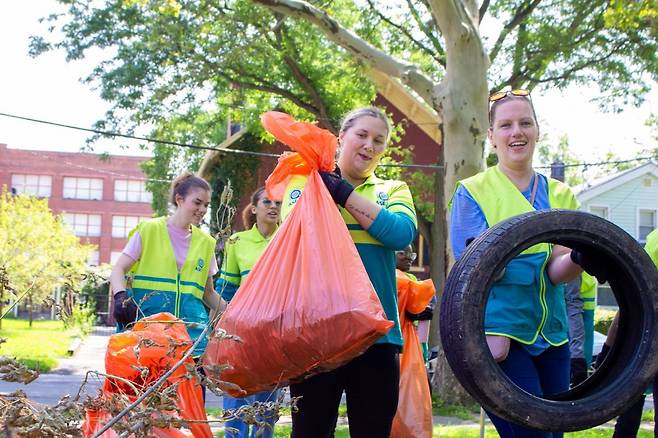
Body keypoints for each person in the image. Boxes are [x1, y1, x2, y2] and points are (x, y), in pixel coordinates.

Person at [449, 89, 602, 438]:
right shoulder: (472, 191)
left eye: (524, 123)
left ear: (537, 131)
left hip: (553, 337)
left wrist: (580, 256)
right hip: (499, 338)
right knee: (534, 436)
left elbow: (555, 272)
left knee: (555, 434)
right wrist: (492, 258)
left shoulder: (561, 194)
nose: (516, 132)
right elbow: (474, 272)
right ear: (491, 136)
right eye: (505, 125)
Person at [280, 106, 417, 438]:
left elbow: (399, 234)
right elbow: (298, 236)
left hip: (378, 337)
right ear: (341, 137)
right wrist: (364, 214)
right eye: (362, 135)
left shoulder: (393, 190)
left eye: (379, 140)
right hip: (316, 335)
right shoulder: (304, 183)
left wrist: (343, 193)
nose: (369, 145)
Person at [109, 171, 222, 358]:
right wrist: (120, 297)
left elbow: (208, 293)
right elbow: (118, 269)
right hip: (149, 336)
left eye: (206, 205)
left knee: (193, 388)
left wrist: (237, 314)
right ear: (179, 199)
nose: (202, 209)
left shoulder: (206, 242)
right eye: (197, 202)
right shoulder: (149, 230)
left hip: (191, 342)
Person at [214, 187, 282, 438]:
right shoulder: (236, 242)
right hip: (241, 332)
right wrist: (220, 329)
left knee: (267, 404)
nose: (273, 206)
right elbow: (227, 288)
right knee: (237, 394)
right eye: (267, 201)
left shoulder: (288, 239)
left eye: (278, 202)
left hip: (276, 333)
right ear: (254, 208)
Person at [597, 228, 658, 437]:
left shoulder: (655, 239)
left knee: (630, 407)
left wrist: (608, 348)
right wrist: (608, 349)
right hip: (645, 345)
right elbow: (632, 307)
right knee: (630, 407)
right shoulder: (655, 241)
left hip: (644, 345)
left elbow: (631, 307)